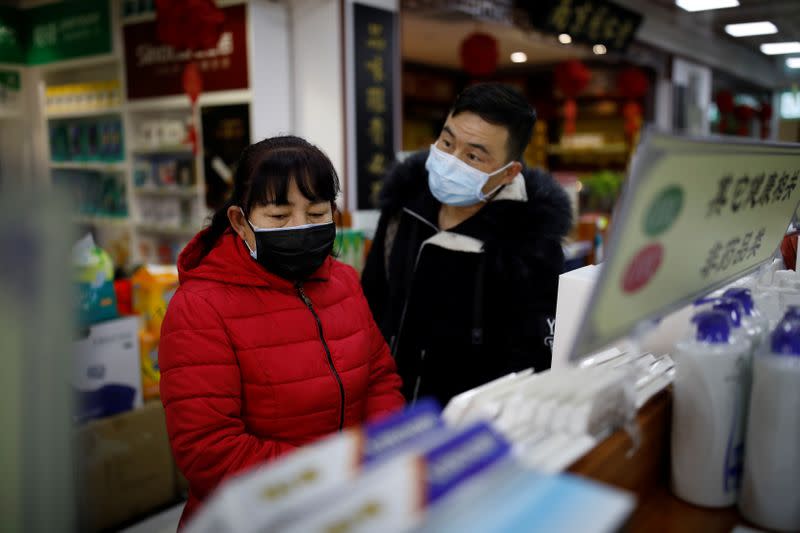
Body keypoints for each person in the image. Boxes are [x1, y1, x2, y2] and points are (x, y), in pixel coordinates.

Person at [159, 136, 404, 527]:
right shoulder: (200, 306)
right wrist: (329, 474)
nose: (301, 227)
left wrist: (378, 452)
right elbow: (208, 448)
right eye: (279, 216)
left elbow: (379, 378)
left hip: (350, 507)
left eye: (317, 212)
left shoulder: (343, 281)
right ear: (240, 221)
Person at [362, 82, 572, 407]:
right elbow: (373, 305)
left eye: (473, 156)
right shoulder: (402, 209)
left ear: (508, 173)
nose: (451, 161)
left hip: (471, 428)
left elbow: (531, 362)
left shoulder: (530, 245)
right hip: (390, 412)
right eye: (447, 142)